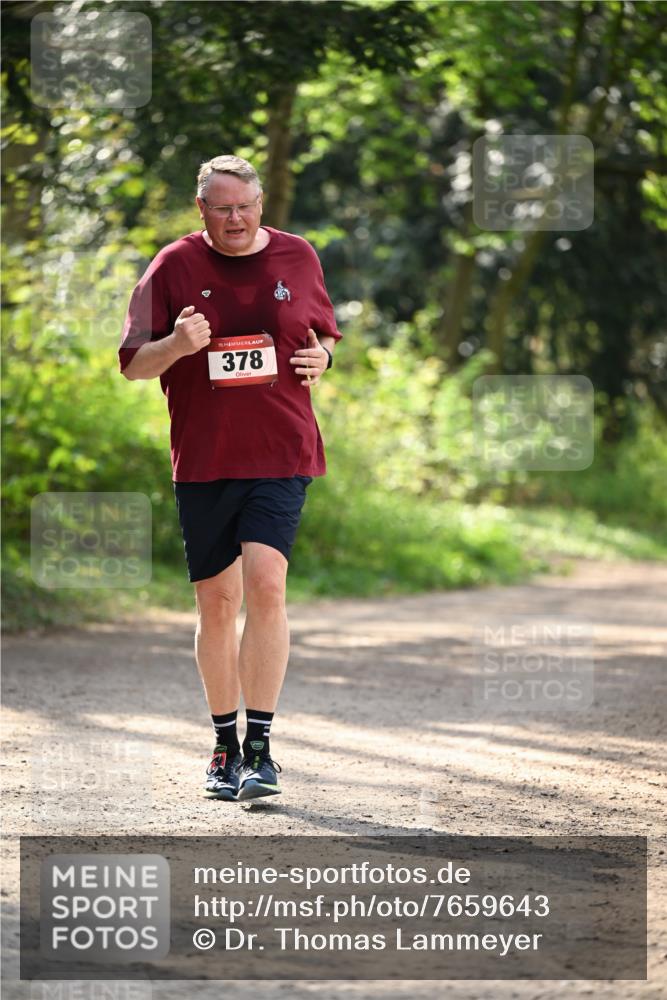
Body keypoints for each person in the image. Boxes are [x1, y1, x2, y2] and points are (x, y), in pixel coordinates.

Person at [118, 154, 341, 801]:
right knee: (217, 603)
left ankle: (262, 749)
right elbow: (133, 364)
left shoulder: (299, 256)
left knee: (266, 585)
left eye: (245, 206)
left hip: (281, 450)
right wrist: (177, 347)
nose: (235, 218)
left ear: (260, 203)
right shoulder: (174, 265)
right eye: (222, 208)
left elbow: (323, 333)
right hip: (206, 458)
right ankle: (223, 746)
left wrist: (321, 356)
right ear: (202, 210)